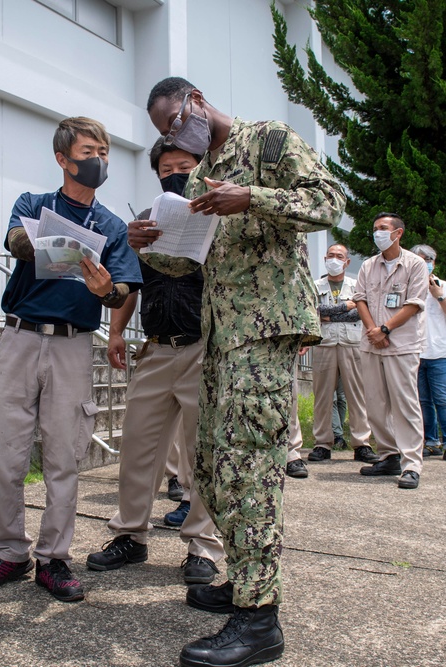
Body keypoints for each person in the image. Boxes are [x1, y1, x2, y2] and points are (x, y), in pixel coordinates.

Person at [135, 77, 344, 667]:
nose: (175, 138)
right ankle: (246, 577)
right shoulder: (201, 178)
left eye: (175, 123)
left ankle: (259, 621)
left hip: (269, 326)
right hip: (223, 334)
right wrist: (147, 244)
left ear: (197, 101)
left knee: (250, 461)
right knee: (211, 461)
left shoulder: (269, 139)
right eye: (163, 135)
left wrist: (252, 197)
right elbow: (192, 257)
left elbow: (329, 200)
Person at [0, 117, 142, 603]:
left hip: (72, 346)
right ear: (63, 158)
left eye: (103, 151)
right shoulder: (33, 204)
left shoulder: (111, 226)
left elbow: (123, 287)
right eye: (88, 150)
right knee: (5, 454)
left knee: (64, 456)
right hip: (20, 338)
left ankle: (55, 558)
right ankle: (7, 553)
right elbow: (15, 242)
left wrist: (109, 290)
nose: (98, 159)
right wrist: (56, 242)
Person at [86, 138, 224, 586]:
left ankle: (202, 547)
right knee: (138, 447)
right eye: (167, 168)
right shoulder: (144, 224)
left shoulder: (221, 218)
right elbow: (130, 284)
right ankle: (130, 534)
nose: (175, 173)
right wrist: (118, 330)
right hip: (156, 346)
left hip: (204, 347)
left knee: (205, 452)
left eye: (184, 165)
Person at [353, 213, 429, 489]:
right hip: (372, 344)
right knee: (375, 403)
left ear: (398, 233)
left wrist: (384, 330)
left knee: (404, 404)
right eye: (375, 229)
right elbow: (360, 300)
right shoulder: (368, 266)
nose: (377, 234)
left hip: (402, 344)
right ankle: (389, 455)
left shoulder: (415, 264)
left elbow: (414, 303)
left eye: (383, 229)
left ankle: (411, 464)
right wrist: (374, 331)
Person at [307, 243, 376, 464]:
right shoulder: (314, 286)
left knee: (357, 395)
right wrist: (344, 307)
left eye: (339, 256)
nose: (334, 259)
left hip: (351, 344)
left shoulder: (357, 286)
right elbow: (313, 312)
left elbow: (360, 314)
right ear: (325, 259)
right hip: (324, 345)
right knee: (323, 396)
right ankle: (322, 443)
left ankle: (361, 443)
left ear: (347, 262)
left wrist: (329, 315)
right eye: (331, 255)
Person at [411, 244, 446, 463]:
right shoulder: (410, 285)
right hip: (415, 353)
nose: (423, 263)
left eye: (427, 259)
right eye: (419, 259)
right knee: (423, 401)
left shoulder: (445, 286)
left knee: (443, 400)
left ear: (433, 263)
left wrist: (439, 296)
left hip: (439, 354)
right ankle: (431, 441)